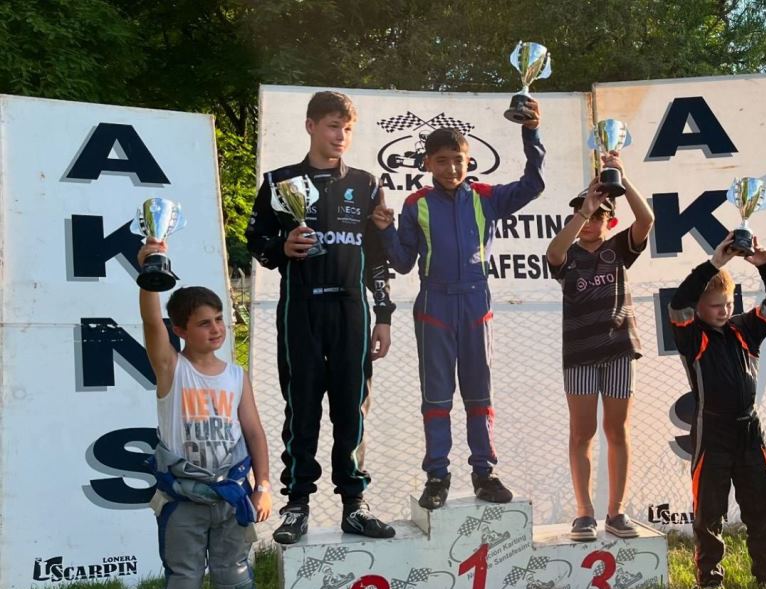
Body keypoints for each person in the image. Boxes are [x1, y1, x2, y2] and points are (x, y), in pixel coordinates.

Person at [246, 91, 397, 543]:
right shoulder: (279, 181)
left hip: (352, 310)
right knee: (303, 407)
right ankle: (297, 505)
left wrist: (384, 314)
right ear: (311, 125)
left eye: (348, 129)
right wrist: (281, 248)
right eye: (333, 126)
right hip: (302, 309)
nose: (340, 136)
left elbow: (378, 257)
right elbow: (255, 240)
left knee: (353, 408)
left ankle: (355, 503)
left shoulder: (367, 184)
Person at [386, 99, 545, 510]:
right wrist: (384, 232)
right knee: (437, 398)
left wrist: (531, 133)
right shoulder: (415, 203)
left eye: (458, 160)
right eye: (442, 161)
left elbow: (534, 184)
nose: (451, 168)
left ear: (469, 160)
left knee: (479, 394)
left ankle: (484, 473)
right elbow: (402, 263)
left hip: (476, 302)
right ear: (427, 163)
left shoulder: (486, 197)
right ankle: (437, 475)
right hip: (434, 304)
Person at [137, 242, 272, 589]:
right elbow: (150, 321)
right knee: (184, 575)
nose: (215, 329)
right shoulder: (171, 369)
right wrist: (150, 274)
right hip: (183, 500)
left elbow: (254, 432)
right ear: (180, 330)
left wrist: (263, 485)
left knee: (234, 570)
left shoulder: (236, 376)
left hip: (231, 497)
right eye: (203, 323)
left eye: (218, 320)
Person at [669, 233, 766, 589]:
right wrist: (715, 263)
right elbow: (678, 302)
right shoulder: (692, 336)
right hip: (712, 431)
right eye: (714, 306)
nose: (723, 310)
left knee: (762, 508)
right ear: (699, 308)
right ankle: (709, 581)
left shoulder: (745, 329)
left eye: (727, 303)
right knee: (709, 512)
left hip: (750, 430)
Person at [545, 159, 654, 541]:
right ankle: (584, 513)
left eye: (598, 216)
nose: (591, 222)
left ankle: (616, 512)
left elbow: (646, 220)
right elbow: (553, 253)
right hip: (579, 354)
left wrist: (623, 177)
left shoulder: (617, 249)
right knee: (582, 433)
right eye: (584, 214)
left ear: (611, 221)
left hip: (619, 350)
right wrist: (584, 210)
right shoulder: (570, 255)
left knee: (617, 430)